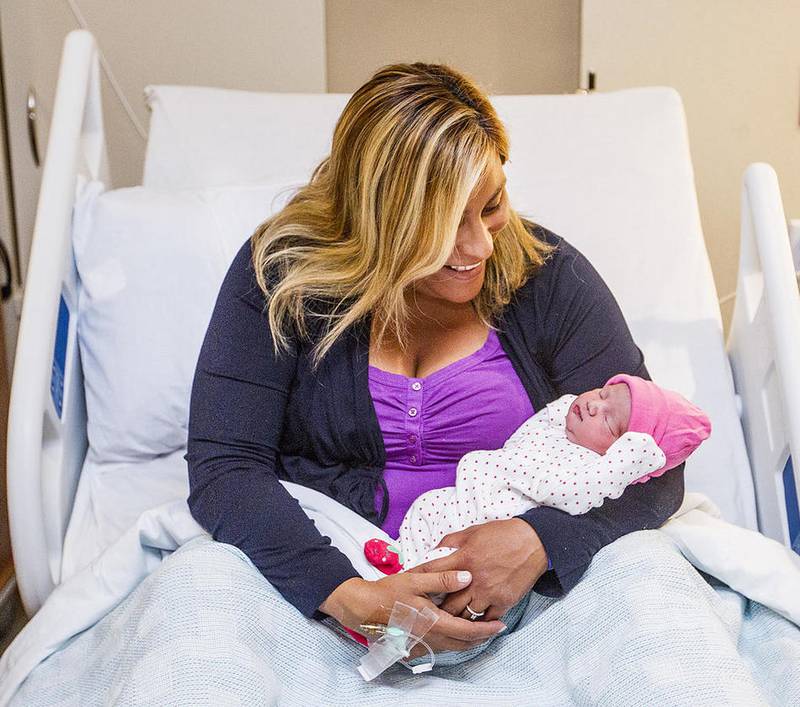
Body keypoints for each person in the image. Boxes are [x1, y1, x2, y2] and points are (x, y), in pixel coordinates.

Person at [185, 61, 685, 657]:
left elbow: (655, 463)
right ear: (377, 216)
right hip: (319, 570)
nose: (479, 246)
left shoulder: (549, 280)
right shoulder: (282, 277)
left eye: (492, 206)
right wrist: (342, 592)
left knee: (658, 615)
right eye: (445, 225)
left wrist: (539, 541)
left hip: (528, 595)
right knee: (194, 614)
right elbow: (226, 466)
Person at [362, 373, 711, 577]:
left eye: (610, 420)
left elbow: (577, 493)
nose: (593, 405)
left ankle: (410, 601)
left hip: (491, 522)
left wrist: (627, 462)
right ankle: (401, 563)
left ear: (625, 455)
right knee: (426, 508)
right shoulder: (563, 424)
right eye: (603, 393)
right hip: (464, 498)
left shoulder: (591, 473)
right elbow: (549, 417)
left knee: (454, 563)